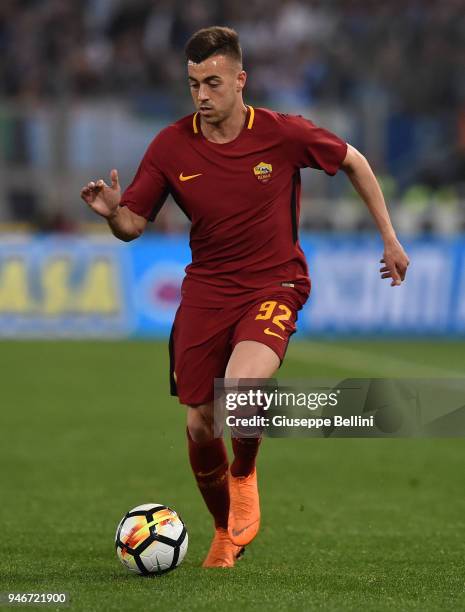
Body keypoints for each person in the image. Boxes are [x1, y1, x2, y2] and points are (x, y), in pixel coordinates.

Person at [80, 26, 409, 568]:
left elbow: (354, 160)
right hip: (207, 290)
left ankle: (245, 471)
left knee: (242, 390)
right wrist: (114, 213)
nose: (202, 96)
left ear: (240, 80)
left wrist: (390, 238)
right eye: (193, 85)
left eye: (213, 83)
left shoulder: (281, 134)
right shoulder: (170, 145)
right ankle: (222, 532)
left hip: (274, 282)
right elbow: (134, 224)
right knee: (199, 423)